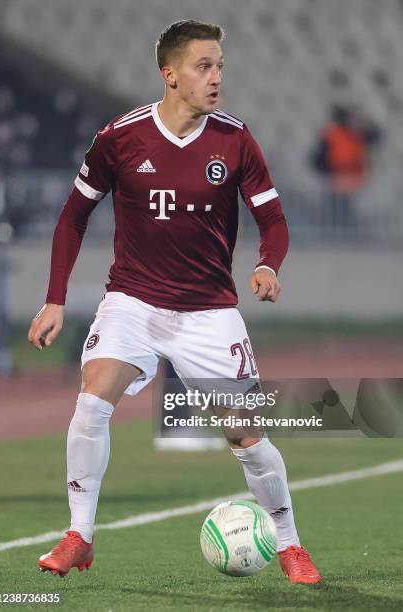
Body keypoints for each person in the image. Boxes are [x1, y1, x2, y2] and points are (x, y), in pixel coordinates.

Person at [28, 20, 321, 583]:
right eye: (203, 67)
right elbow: (73, 215)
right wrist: (55, 299)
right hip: (133, 302)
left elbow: (274, 220)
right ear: (170, 74)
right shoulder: (121, 136)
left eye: (220, 67)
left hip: (209, 312)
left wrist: (267, 264)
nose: (216, 78)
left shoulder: (235, 139)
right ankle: (79, 536)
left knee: (245, 435)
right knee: (92, 400)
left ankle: (289, 544)